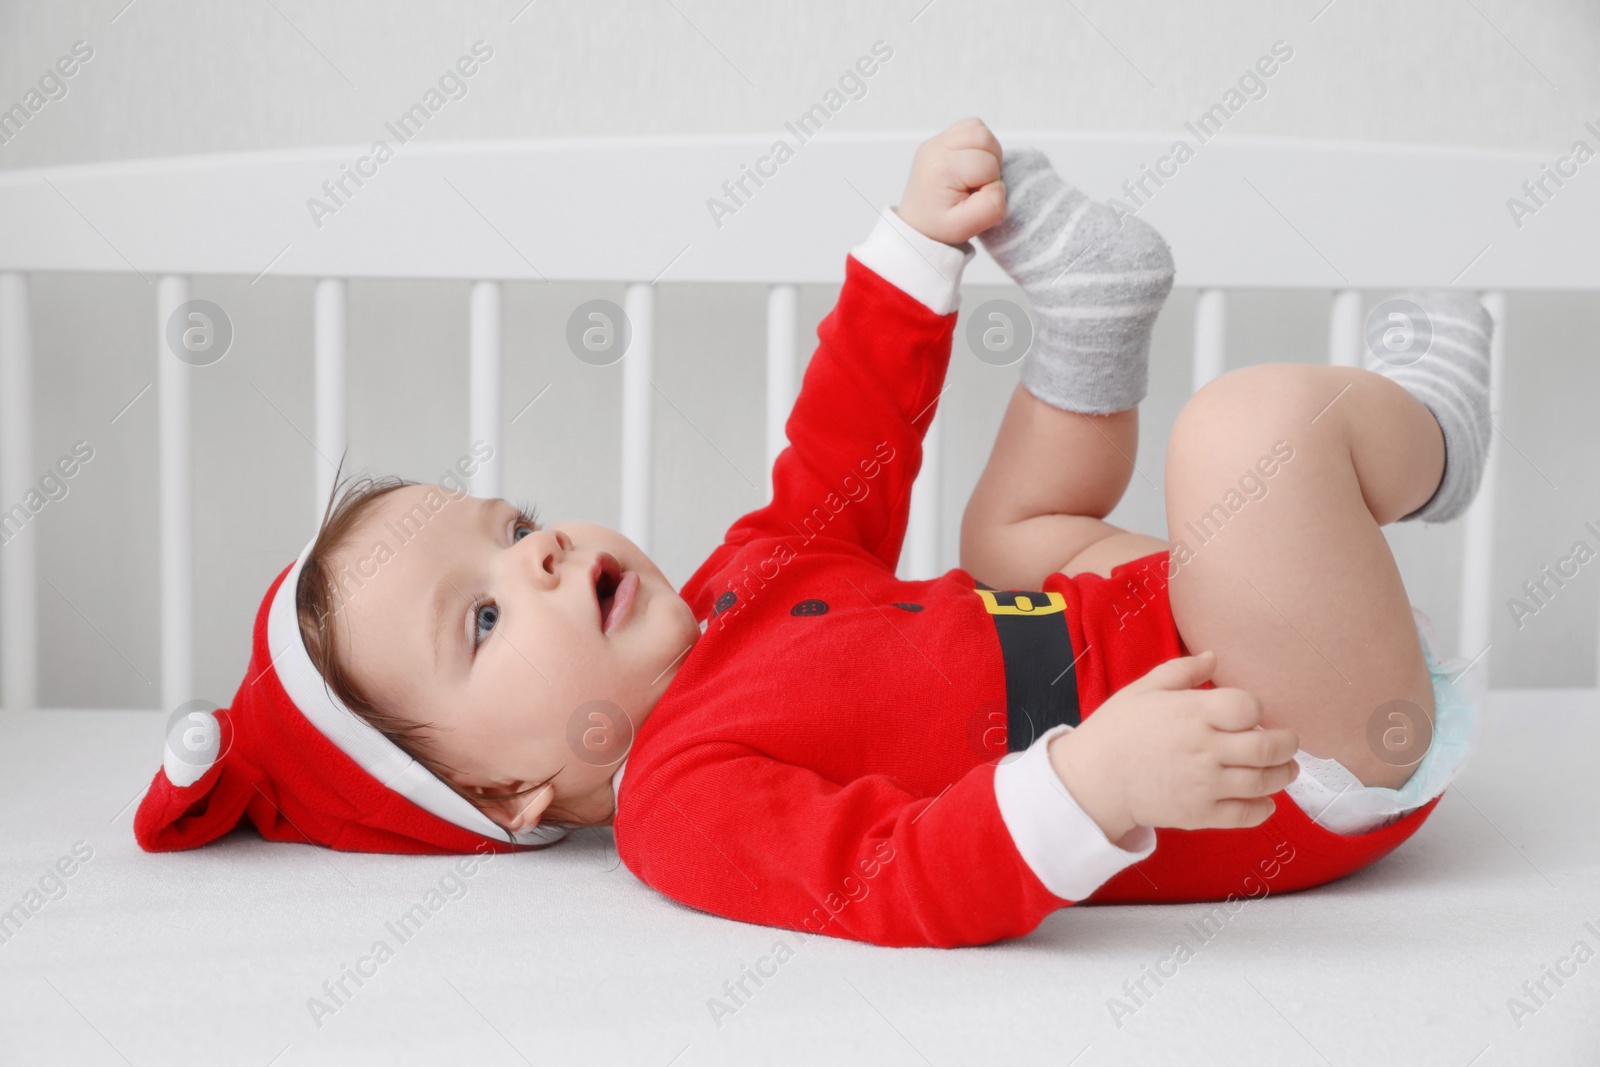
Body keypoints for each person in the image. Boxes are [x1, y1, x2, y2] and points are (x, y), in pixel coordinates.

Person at [136, 118, 1485, 949]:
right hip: (1289, 763)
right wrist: (1097, 789)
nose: (536, 557)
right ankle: (1428, 434)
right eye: (481, 620)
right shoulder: (684, 805)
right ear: (508, 797)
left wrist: (910, 250)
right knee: (1240, 440)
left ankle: (1092, 320)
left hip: (1200, 627)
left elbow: (842, 453)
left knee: (1007, 536)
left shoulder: (739, 594)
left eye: (514, 530)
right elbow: (891, 881)